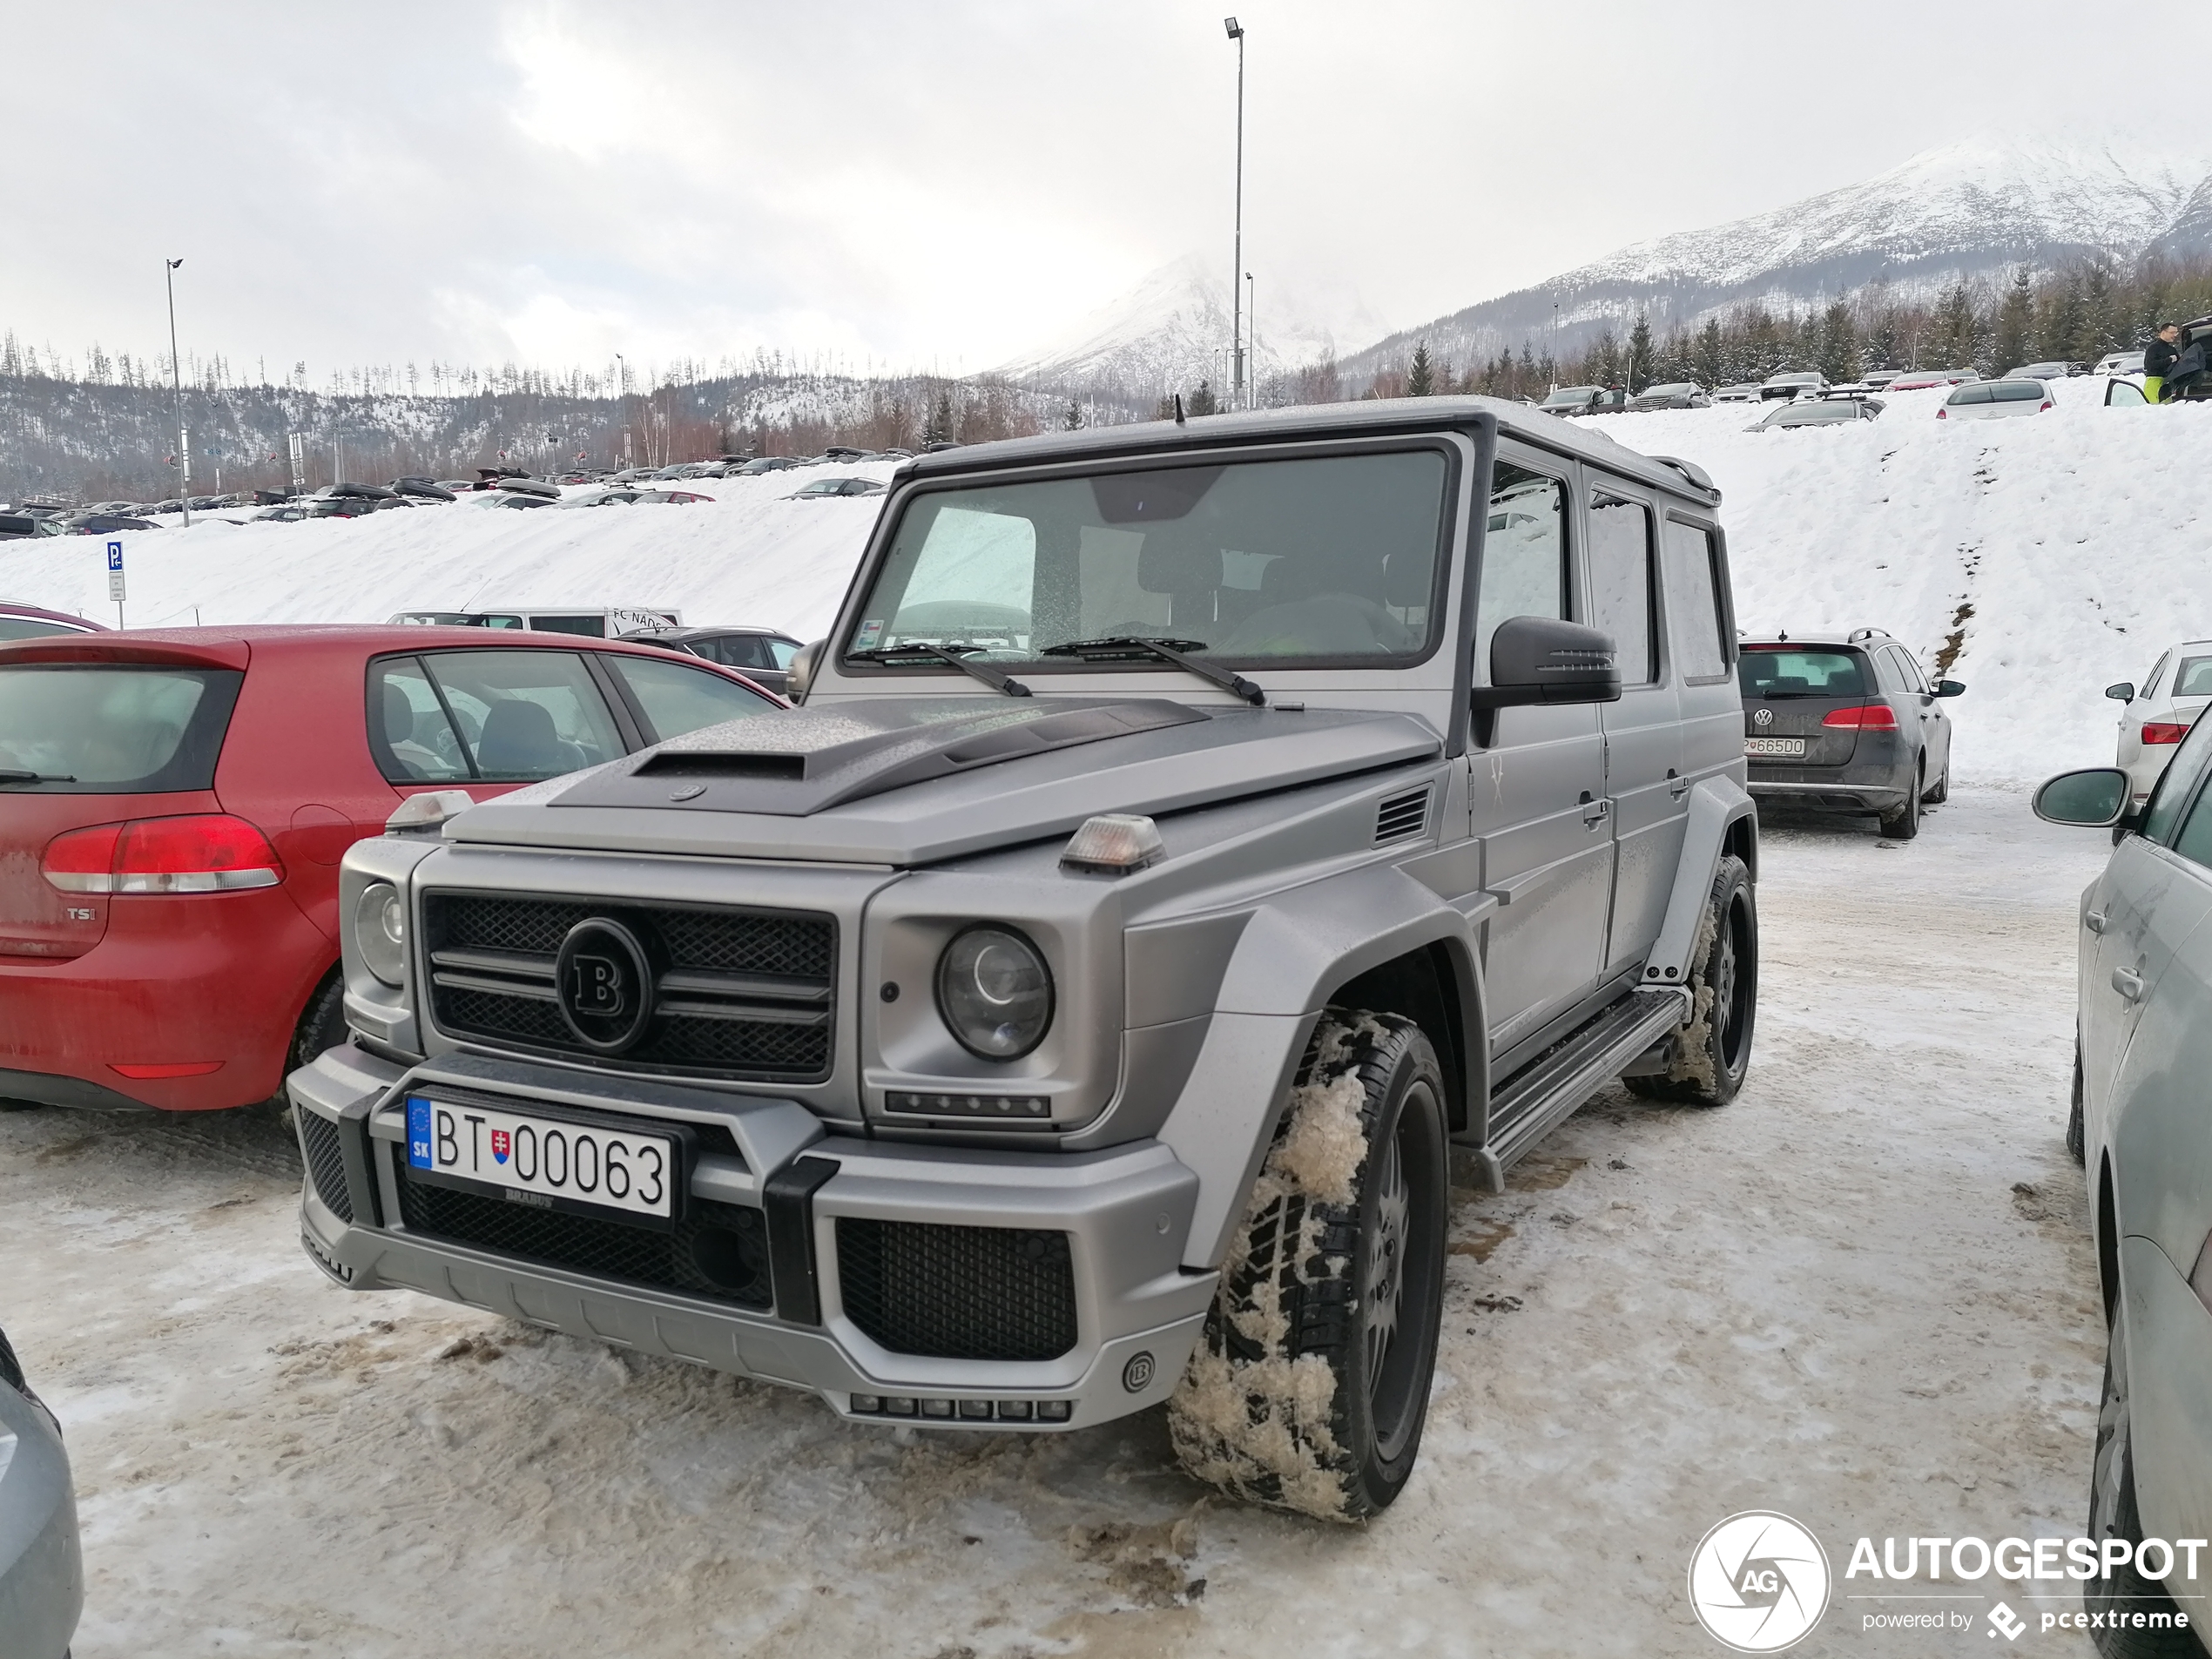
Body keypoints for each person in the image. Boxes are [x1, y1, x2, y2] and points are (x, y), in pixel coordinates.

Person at [2144, 322, 2182, 402]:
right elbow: (2149, 365)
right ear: (2163, 333)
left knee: (2166, 411)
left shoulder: (2172, 350)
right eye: (2172, 332)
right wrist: (2169, 360)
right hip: (2154, 383)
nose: (2175, 335)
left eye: (2176, 332)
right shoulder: (2153, 348)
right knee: (2156, 410)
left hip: (2167, 384)